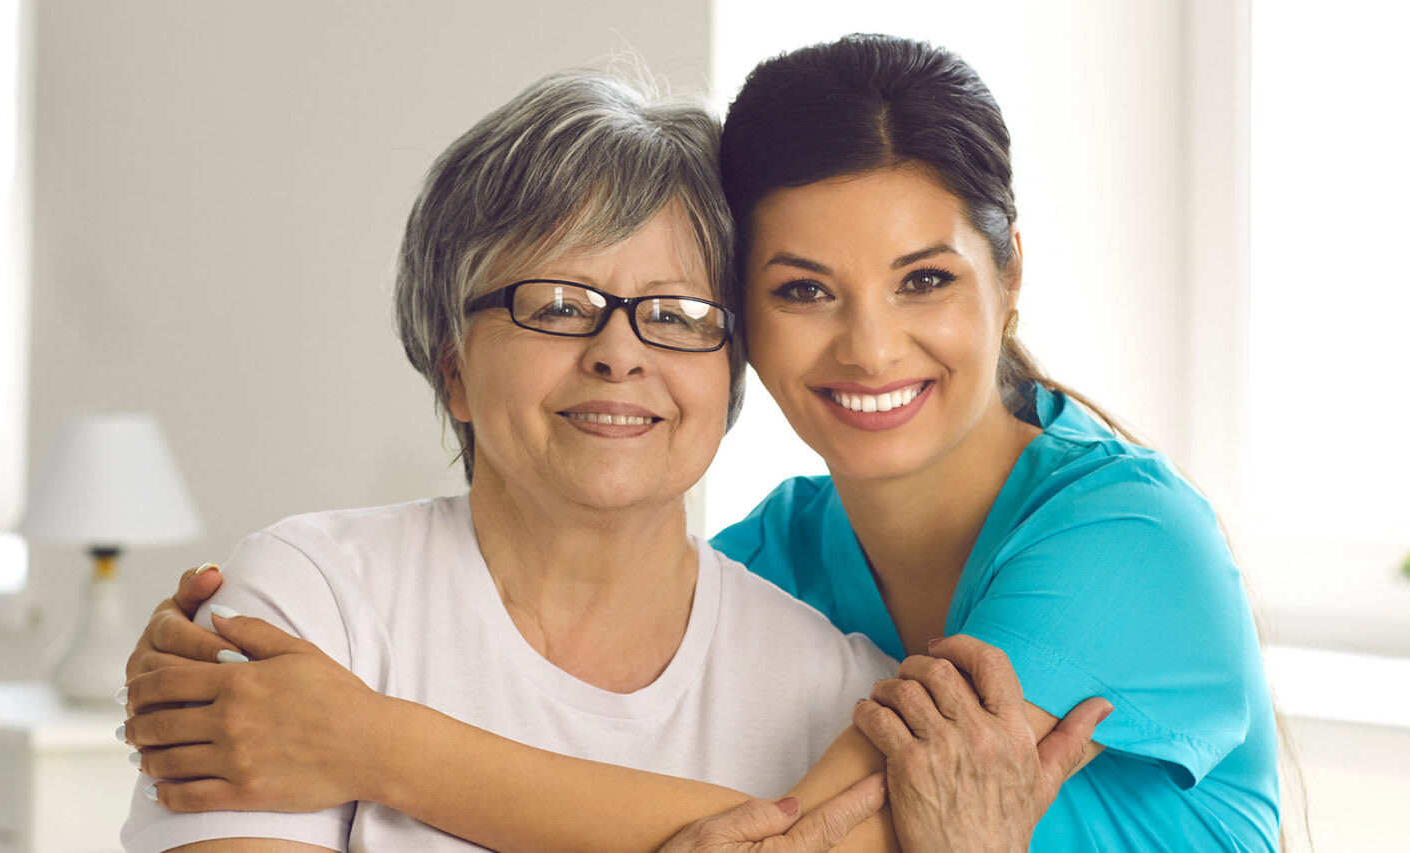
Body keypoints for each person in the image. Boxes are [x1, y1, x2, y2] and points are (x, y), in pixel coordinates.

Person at [116, 66, 1107, 853]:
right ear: (452, 367)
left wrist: (380, 748)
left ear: (730, 375)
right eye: (555, 305)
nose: (618, 352)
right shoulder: (309, 605)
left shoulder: (844, 691)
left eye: (677, 315)